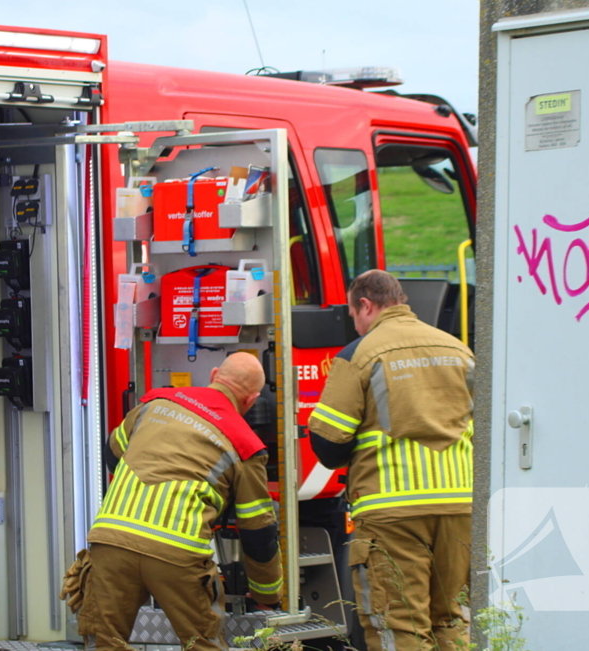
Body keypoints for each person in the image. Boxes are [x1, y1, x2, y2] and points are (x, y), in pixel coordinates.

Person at [68, 352, 283, 651]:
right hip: (177, 553)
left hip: (111, 541)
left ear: (214, 375)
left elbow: (112, 454)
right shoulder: (245, 444)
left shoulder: (155, 404)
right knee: (202, 643)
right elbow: (257, 530)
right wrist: (267, 595)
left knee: (105, 642)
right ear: (252, 400)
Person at [308, 270, 474, 651]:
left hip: (392, 508)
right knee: (449, 618)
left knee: (399, 623)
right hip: (460, 506)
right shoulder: (458, 349)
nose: (355, 323)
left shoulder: (359, 353)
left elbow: (328, 444)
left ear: (365, 304)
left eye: (353, 314)